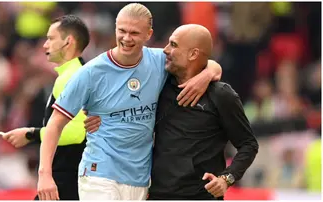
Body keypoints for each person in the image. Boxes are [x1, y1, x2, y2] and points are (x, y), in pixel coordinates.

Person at [37, 3, 222, 200]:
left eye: (134, 33)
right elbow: (55, 124)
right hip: (99, 173)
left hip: (140, 178)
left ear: (148, 34)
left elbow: (206, 62)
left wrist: (207, 74)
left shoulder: (160, 61)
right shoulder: (91, 73)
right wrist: (44, 175)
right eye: (122, 31)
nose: (126, 38)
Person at [148, 24, 259, 200]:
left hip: (201, 196)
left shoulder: (221, 95)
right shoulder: (159, 84)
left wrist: (226, 179)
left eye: (174, 45)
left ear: (193, 54)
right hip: (157, 195)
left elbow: (249, 145)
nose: (165, 50)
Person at [0, 15, 90, 200]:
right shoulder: (76, 73)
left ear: (68, 42)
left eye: (50, 38)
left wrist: (30, 134)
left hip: (65, 180)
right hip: (71, 177)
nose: (44, 45)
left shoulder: (71, 78)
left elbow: (76, 133)